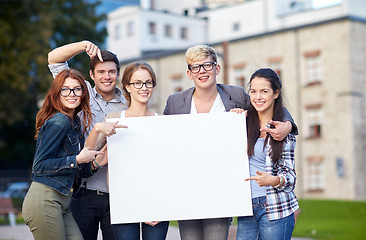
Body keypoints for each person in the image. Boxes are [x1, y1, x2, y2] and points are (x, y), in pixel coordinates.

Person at [163, 44, 297, 240]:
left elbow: (265, 103)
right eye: (196, 67)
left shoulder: (234, 95)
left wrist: (288, 124)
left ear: (217, 69)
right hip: (189, 191)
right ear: (189, 73)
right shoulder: (175, 102)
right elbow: (165, 143)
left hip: (222, 192)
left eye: (207, 65)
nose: (202, 71)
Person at [48, 41, 127, 240]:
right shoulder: (80, 94)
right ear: (92, 75)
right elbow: (54, 58)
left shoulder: (129, 103)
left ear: (118, 74)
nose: (106, 77)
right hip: (83, 191)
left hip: (117, 195)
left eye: (111, 71)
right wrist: (83, 45)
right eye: (101, 72)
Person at [86, 61, 169, 240]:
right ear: (127, 87)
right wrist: (97, 129)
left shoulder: (162, 121)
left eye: (148, 83)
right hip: (124, 201)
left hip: (156, 202)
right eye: (137, 83)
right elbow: (88, 152)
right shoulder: (113, 118)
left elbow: (167, 168)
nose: (144, 88)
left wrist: (161, 204)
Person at [22, 69, 106, 240]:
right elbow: (39, 166)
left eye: (77, 89)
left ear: (83, 92)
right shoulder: (59, 121)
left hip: (62, 202)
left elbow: (77, 172)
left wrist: (96, 163)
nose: (72, 94)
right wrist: (76, 159)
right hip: (45, 200)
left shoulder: (74, 123)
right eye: (65, 89)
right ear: (57, 93)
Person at [233, 68, 299, 240]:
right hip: (247, 207)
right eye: (253, 91)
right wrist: (232, 120)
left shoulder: (283, 131)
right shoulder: (242, 124)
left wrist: (274, 180)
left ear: (276, 93)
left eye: (264, 91)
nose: (258, 97)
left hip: (275, 208)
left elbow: (290, 177)